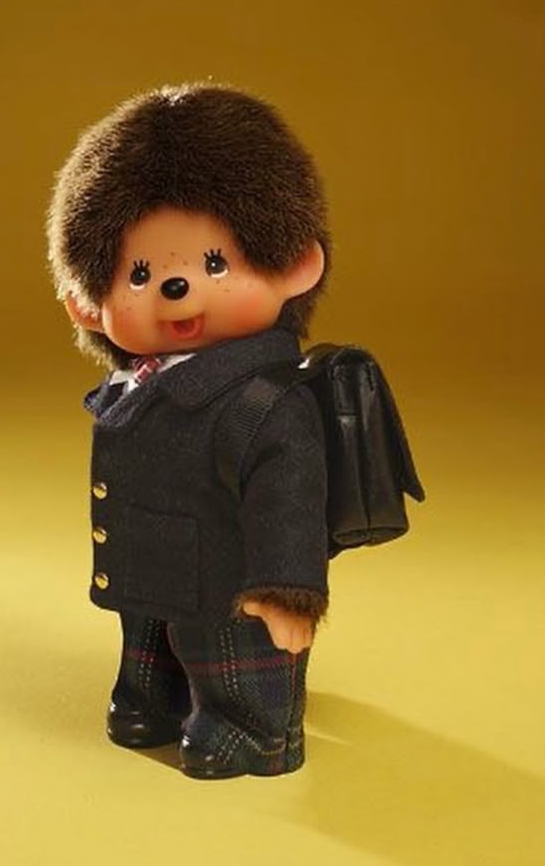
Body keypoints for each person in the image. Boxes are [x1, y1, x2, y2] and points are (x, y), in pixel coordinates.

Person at [46, 83, 333, 778]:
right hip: (153, 563)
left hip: (233, 576)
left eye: (214, 265)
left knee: (232, 648)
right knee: (150, 632)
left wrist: (287, 589)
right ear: (90, 303)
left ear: (293, 265)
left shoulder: (265, 400)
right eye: (140, 274)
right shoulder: (140, 383)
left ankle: (255, 727)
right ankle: (154, 693)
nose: (176, 289)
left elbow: (291, 498)